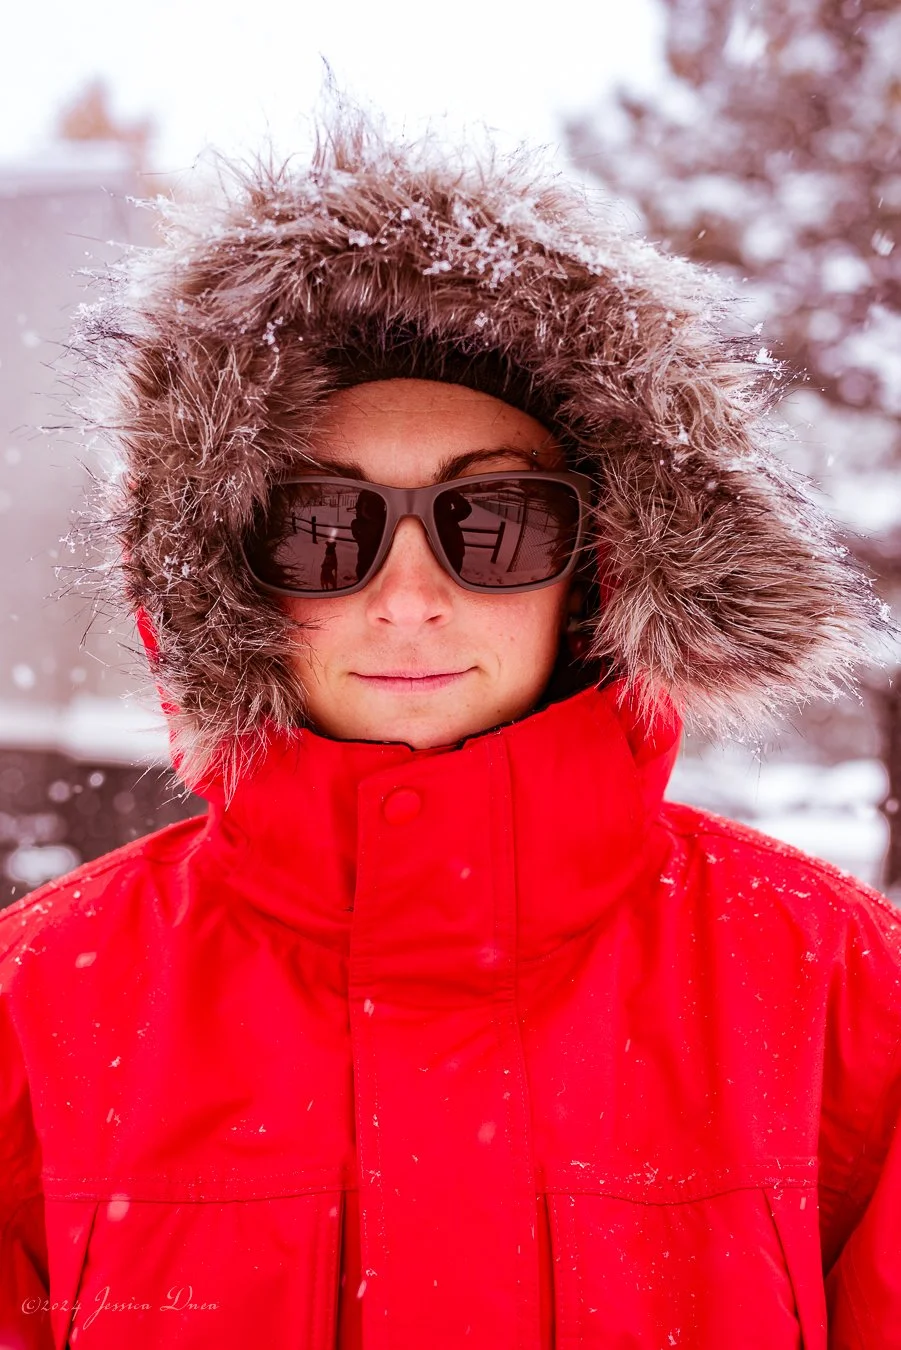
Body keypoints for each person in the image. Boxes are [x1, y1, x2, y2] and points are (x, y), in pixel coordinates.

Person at [1, 96, 900, 1350]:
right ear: (226, 574)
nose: (410, 598)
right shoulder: (39, 1013)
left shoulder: (842, 995)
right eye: (323, 528)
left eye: (497, 524)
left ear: (596, 568)